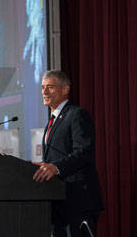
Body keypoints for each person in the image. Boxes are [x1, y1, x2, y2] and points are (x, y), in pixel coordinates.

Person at [33, 70, 104, 237]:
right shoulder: (52, 121)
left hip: (79, 199)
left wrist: (55, 168)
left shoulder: (76, 115)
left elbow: (84, 151)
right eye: (43, 87)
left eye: (50, 87)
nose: (44, 92)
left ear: (65, 89)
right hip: (58, 199)